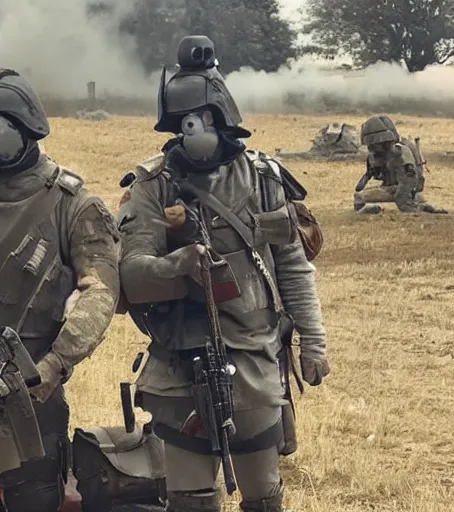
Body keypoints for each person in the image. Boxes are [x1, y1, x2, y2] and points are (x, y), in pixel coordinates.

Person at [118, 35, 329, 512]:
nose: (197, 129)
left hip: (256, 358)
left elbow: (293, 266)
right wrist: (177, 265)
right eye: (186, 122)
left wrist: (313, 341)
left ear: (224, 116)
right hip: (179, 360)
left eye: (206, 119)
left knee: (263, 494)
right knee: (190, 499)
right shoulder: (152, 186)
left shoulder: (265, 178)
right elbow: (130, 276)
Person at [0, 69, 120, 512]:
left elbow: (100, 293)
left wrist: (52, 366)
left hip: (29, 394)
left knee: (34, 498)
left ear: (21, 128)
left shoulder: (72, 205)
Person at [354, 115, 448, 214]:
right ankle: (420, 206)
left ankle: (420, 208)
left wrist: (404, 202)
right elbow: (368, 176)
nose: (372, 148)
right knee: (360, 196)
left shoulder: (400, 153)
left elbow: (409, 179)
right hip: (397, 190)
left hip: (404, 191)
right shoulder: (379, 155)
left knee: (361, 197)